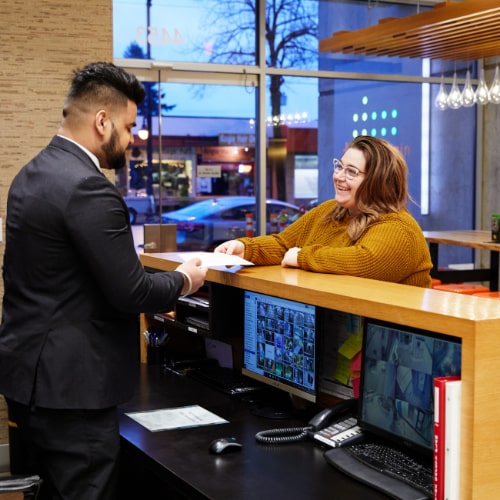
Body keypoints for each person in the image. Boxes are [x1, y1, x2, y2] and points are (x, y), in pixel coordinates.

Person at [0, 62, 207, 499]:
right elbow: (131, 293)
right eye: (130, 128)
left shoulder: (30, 175)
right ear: (101, 121)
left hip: (29, 376)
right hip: (73, 389)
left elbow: (54, 272)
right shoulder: (89, 188)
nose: (132, 142)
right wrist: (187, 279)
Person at [215, 135, 432, 288]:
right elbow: (284, 246)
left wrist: (303, 257)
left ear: (378, 182)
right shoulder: (331, 210)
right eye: (340, 166)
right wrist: (245, 248)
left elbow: (366, 262)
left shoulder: (399, 227)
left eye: (351, 172)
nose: (338, 176)